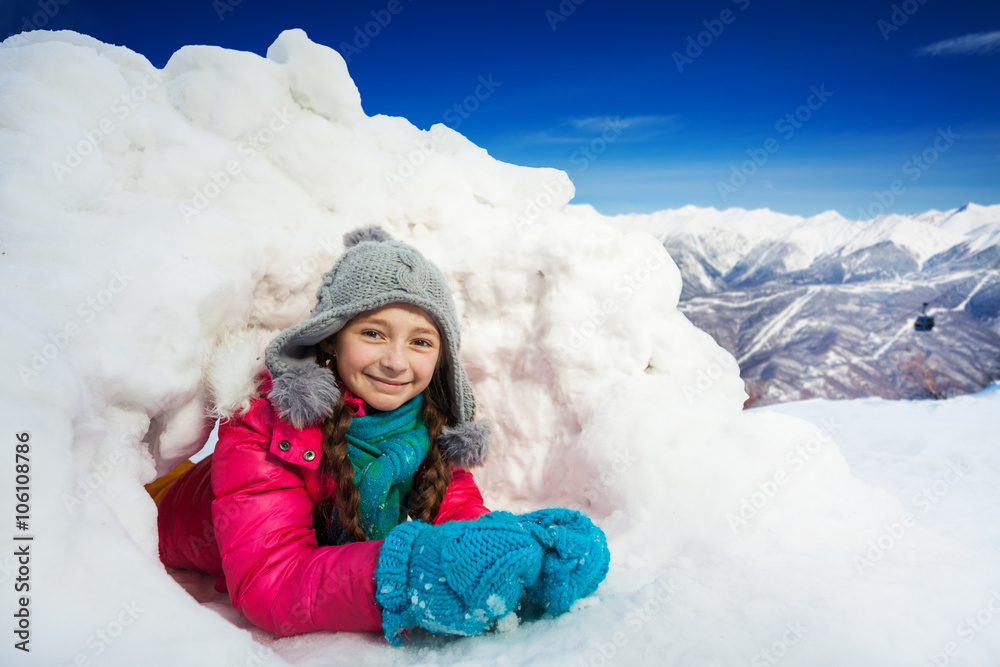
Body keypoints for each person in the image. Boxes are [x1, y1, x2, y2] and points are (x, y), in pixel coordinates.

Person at [149, 226, 610, 645]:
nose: (396, 361)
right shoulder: (266, 424)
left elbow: (456, 512)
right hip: (162, 507)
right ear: (330, 337)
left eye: (421, 341)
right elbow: (270, 579)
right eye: (373, 332)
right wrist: (409, 575)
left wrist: (522, 548)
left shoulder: (426, 424)